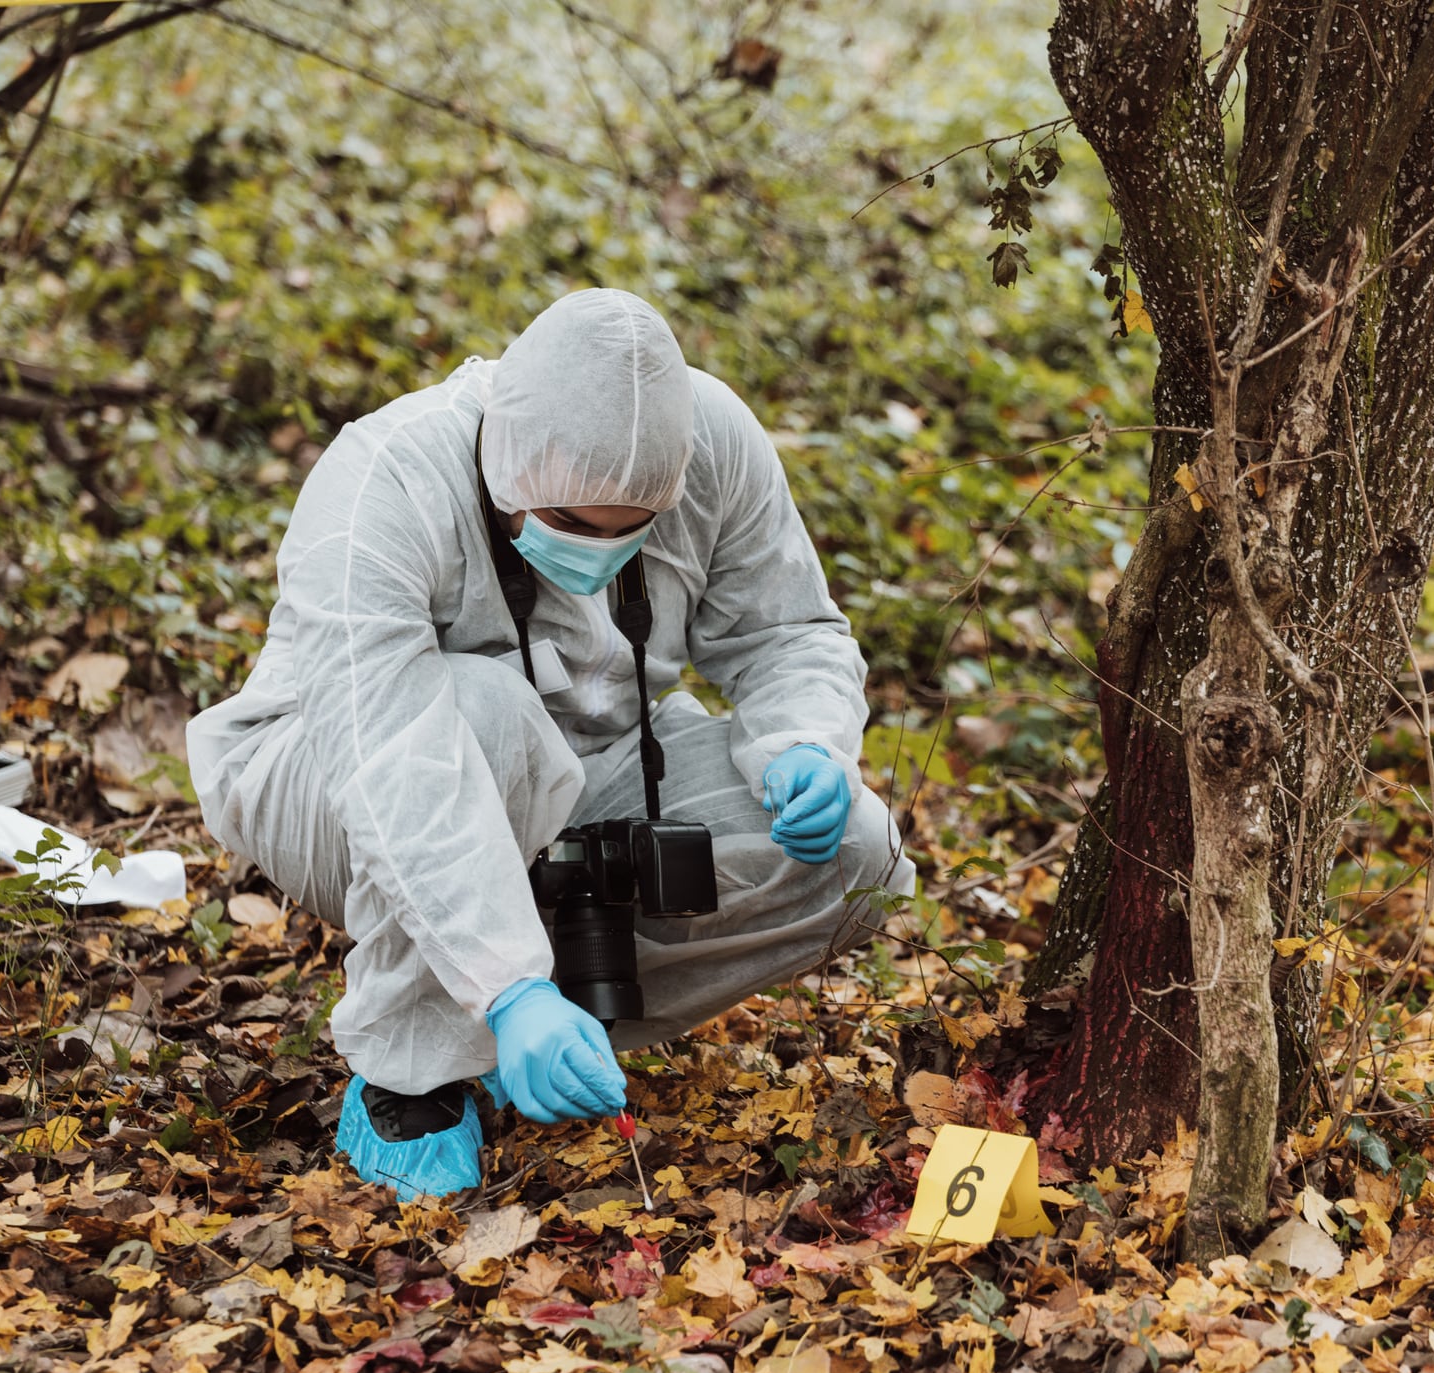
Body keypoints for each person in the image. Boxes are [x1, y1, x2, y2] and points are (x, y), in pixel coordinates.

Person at [187, 289, 913, 1200]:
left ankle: (552, 1024)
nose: (598, 552)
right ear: (506, 468)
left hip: (591, 766)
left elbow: (785, 631)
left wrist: (803, 740)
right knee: (488, 713)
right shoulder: (386, 479)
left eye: (631, 530)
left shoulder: (714, 441)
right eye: (570, 524)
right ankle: (413, 1074)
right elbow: (390, 757)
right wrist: (507, 986)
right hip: (330, 779)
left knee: (857, 851)